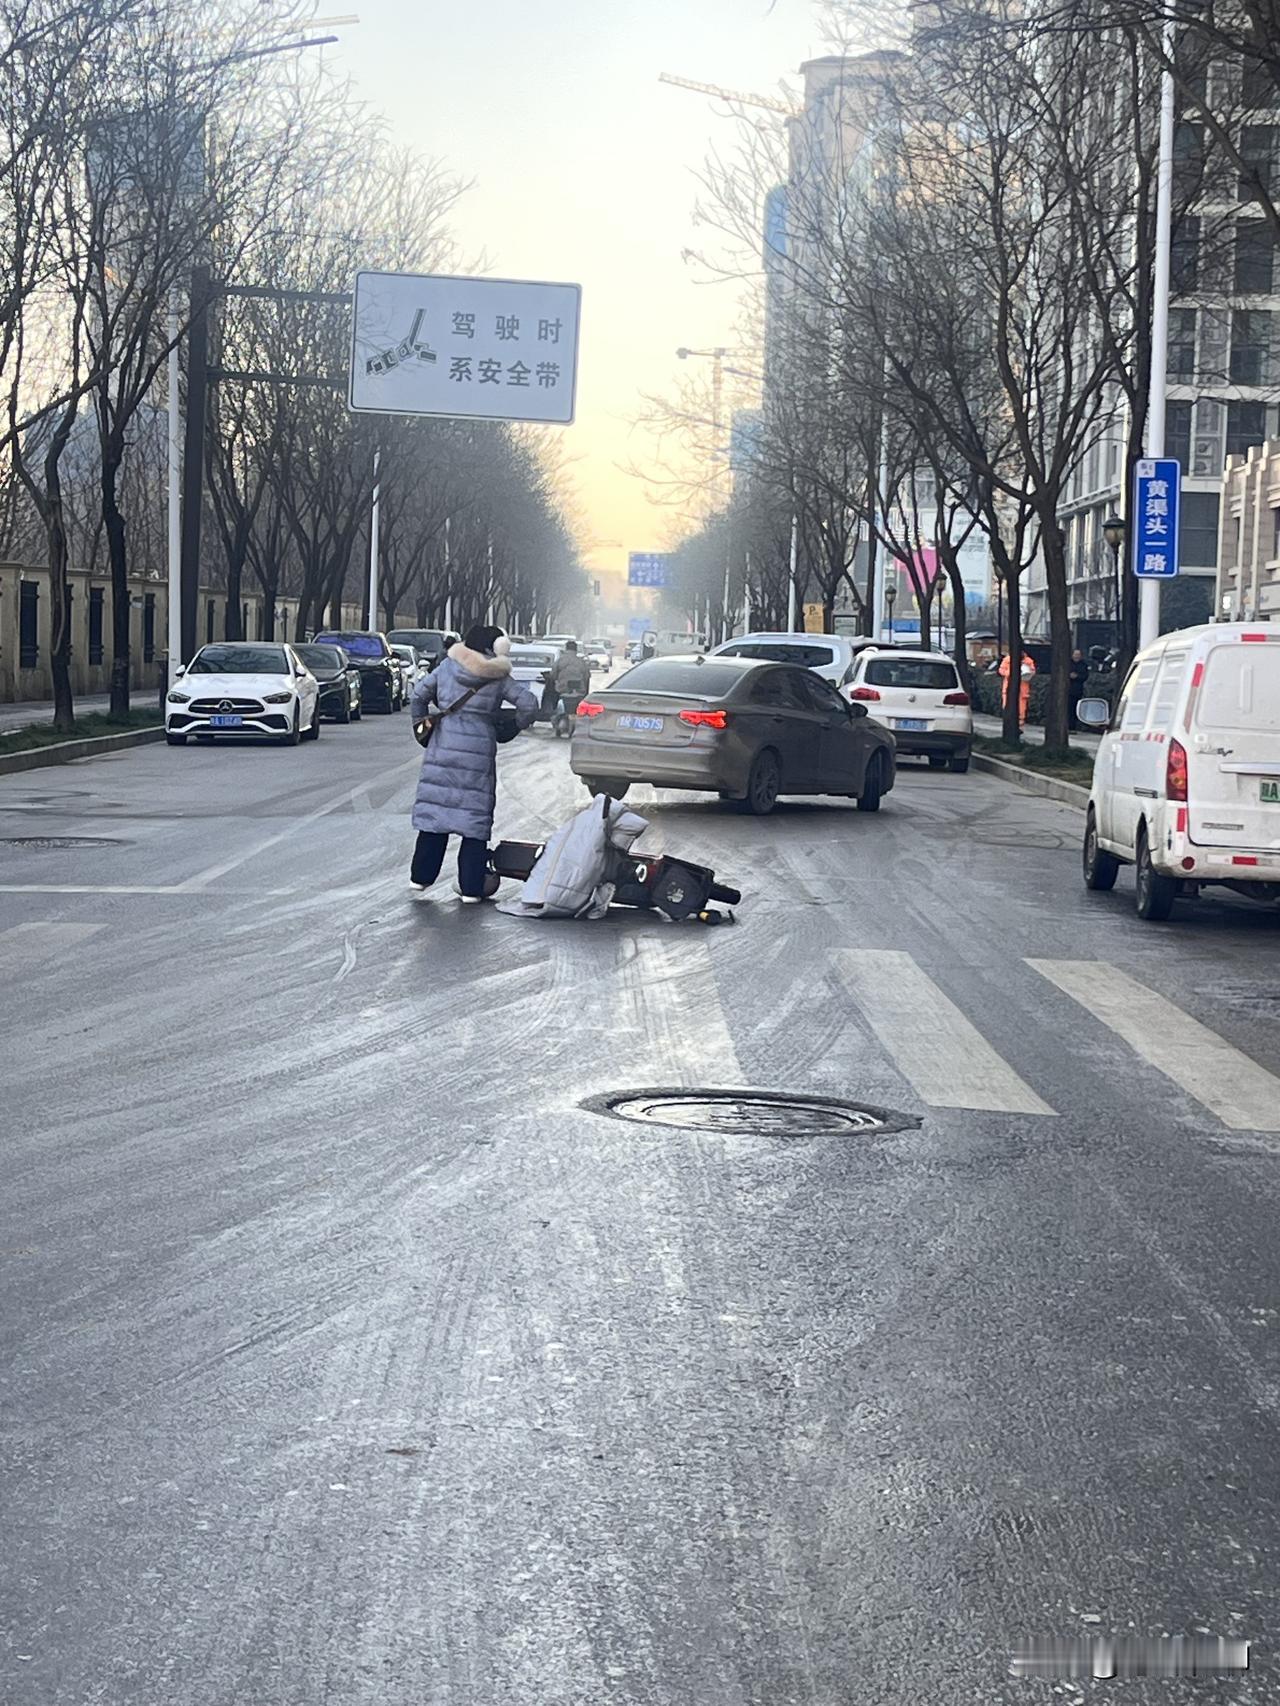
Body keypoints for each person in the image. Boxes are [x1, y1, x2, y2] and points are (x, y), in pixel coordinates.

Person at [408, 625, 537, 901]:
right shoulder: (498, 676)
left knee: (435, 816)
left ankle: (420, 878)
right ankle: (471, 888)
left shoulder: (446, 667)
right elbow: (529, 704)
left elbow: (418, 695)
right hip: (478, 751)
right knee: (474, 824)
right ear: (496, 647)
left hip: (442, 746)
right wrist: (515, 725)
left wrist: (420, 723)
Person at [1068, 648, 1090, 729]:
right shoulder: (1068, 663)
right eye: (1075, 654)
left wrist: (1077, 676)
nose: (1077, 656)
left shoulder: (1083, 665)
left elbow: (1085, 676)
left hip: (1077, 690)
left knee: (1075, 709)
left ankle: (1073, 726)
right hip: (1067, 690)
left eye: (1078, 655)